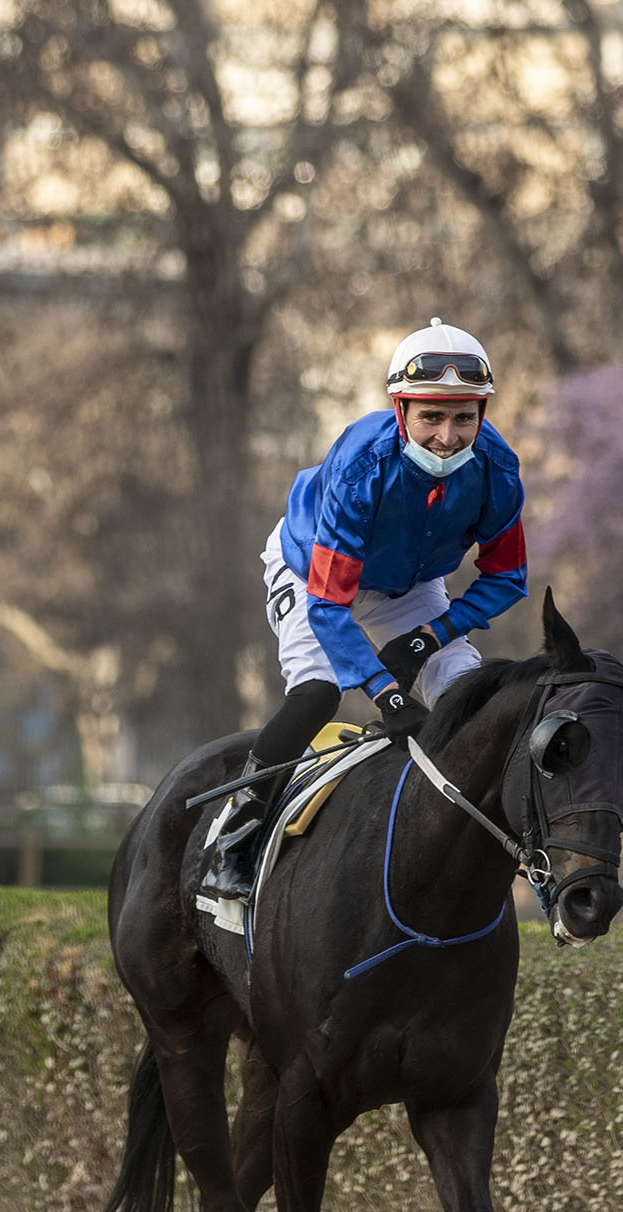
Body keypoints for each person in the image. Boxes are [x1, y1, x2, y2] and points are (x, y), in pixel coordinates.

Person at [200, 318, 529, 903]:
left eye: (464, 418)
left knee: (466, 693)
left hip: (409, 582)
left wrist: (430, 636)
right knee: (317, 692)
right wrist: (386, 692)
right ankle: (235, 835)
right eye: (431, 417)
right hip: (313, 569)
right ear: (401, 410)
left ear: (482, 413)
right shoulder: (362, 465)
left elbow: (508, 578)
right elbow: (330, 606)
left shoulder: (498, 469)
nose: (448, 437)